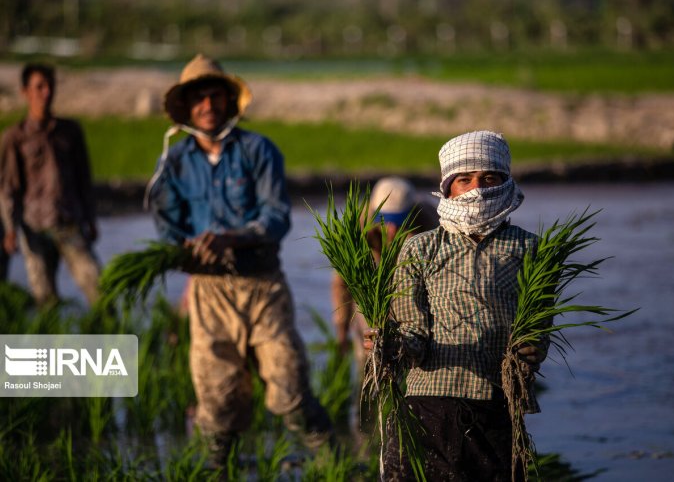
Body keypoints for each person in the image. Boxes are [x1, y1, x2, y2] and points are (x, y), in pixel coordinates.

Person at [145, 54, 333, 464]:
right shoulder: (175, 162)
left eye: (216, 96)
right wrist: (185, 249)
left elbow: (276, 217)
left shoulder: (258, 150)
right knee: (218, 396)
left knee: (289, 383)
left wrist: (230, 238)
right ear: (187, 107)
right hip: (209, 291)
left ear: (230, 102)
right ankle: (216, 470)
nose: (208, 106)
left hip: (262, 284)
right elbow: (167, 224)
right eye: (199, 99)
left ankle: (334, 464)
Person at [365, 131, 549, 480]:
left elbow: (537, 328)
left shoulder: (531, 250)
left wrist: (530, 349)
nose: (477, 188)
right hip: (428, 407)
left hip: (496, 406)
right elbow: (413, 334)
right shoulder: (421, 248)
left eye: (489, 178)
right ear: (447, 187)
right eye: (465, 180)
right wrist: (392, 345)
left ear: (506, 182)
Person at [0, 63, 100, 305]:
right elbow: (8, 188)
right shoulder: (15, 138)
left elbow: (83, 179)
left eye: (50, 86)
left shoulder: (69, 131)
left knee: (97, 284)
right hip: (35, 228)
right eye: (39, 87)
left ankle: (110, 338)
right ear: (25, 92)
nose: (46, 92)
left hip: (69, 222)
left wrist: (90, 218)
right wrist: (11, 228)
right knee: (45, 299)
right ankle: (52, 342)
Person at [332, 176, 437, 380]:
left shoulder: (429, 221)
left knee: (415, 366)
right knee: (370, 362)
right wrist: (341, 327)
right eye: (385, 220)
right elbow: (341, 282)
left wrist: (410, 246)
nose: (391, 230)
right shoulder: (360, 227)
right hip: (369, 298)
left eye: (399, 221)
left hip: (413, 301)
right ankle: (367, 400)